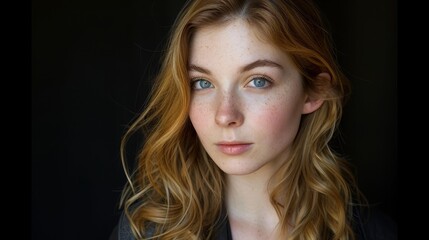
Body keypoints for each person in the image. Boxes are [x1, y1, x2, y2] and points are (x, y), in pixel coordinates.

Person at [110, 0, 397, 239]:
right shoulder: (146, 232)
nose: (225, 115)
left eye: (258, 81)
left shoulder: (372, 233)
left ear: (313, 91)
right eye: (202, 83)